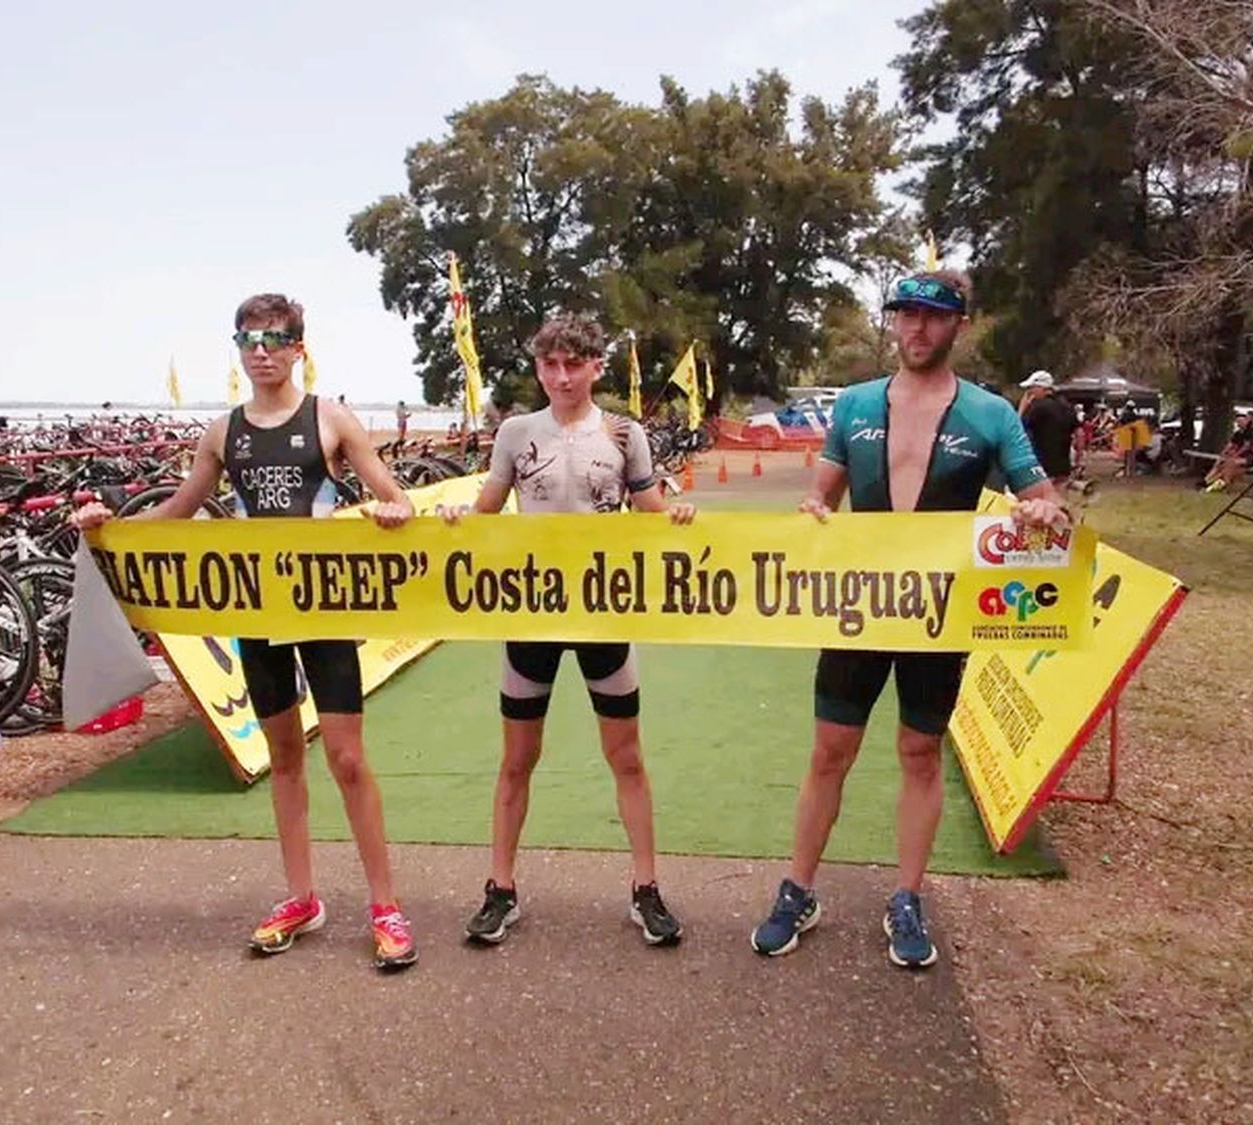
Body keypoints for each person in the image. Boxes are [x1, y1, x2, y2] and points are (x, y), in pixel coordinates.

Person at [71, 293, 421, 972]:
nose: (260, 350)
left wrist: (392, 510)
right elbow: (177, 511)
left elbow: (396, 495)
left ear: (299, 347)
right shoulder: (223, 432)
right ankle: (301, 897)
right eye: (248, 339)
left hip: (323, 609)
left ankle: (385, 904)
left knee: (347, 759)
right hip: (256, 609)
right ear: (237, 348)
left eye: (274, 338)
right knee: (284, 758)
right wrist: (106, 526)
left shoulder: (331, 418)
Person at [750, 270, 1068, 970]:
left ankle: (907, 895)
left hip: (940, 612)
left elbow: (1044, 503)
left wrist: (1042, 511)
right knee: (830, 749)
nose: (916, 329)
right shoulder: (857, 404)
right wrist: (813, 512)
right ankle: (798, 888)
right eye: (906, 316)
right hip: (861, 607)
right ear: (892, 322)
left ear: (958, 325)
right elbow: (821, 497)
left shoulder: (990, 413)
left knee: (919, 753)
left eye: (932, 317)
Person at [444, 311, 696, 948]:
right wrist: (451, 518)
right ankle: (500, 890)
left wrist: (680, 517)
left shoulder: (623, 433)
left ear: (595, 368)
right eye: (550, 364)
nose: (561, 376)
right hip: (531, 613)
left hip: (603, 615)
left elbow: (651, 513)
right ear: (538, 367)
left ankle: (646, 888)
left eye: (574, 365)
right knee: (518, 759)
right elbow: (486, 511)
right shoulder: (515, 432)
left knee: (626, 757)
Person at [1017, 370, 1080, 488]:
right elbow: (1079, 432)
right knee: (1060, 501)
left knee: (1043, 502)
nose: (1029, 392)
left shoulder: (1037, 407)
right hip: (1063, 466)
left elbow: (1018, 427)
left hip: (1042, 466)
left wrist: (1023, 406)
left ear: (1042, 387)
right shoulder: (1066, 405)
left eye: (1032, 388)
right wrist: (1078, 458)